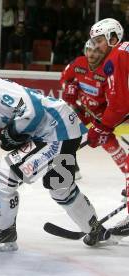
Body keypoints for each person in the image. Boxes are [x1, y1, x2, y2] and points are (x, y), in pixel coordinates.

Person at [0, 66, 108, 250]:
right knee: (59, 187)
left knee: (2, 174)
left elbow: (32, 110)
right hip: (62, 129)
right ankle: (94, 228)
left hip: (56, 129)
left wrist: (13, 131)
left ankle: (5, 231)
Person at [87, 18, 129, 238]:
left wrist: (100, 128)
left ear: (114, 38)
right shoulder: (123, 51)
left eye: (100, 40)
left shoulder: (115, 57)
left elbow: (120, 105)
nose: (95, 46)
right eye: (93, 41)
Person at [60, 39, 126, 174]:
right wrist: (69, 88)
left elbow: (113, 100)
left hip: (100, 113)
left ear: (102, 53)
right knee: (65, 132)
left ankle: (126, 170)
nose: (91, 54)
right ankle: (70, 167)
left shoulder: (109, 69)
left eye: (96, 51)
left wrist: (105, 124)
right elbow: (64, 79)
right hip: (81, 110)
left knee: (107, 140)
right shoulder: (78, 63)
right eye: (89, 50)